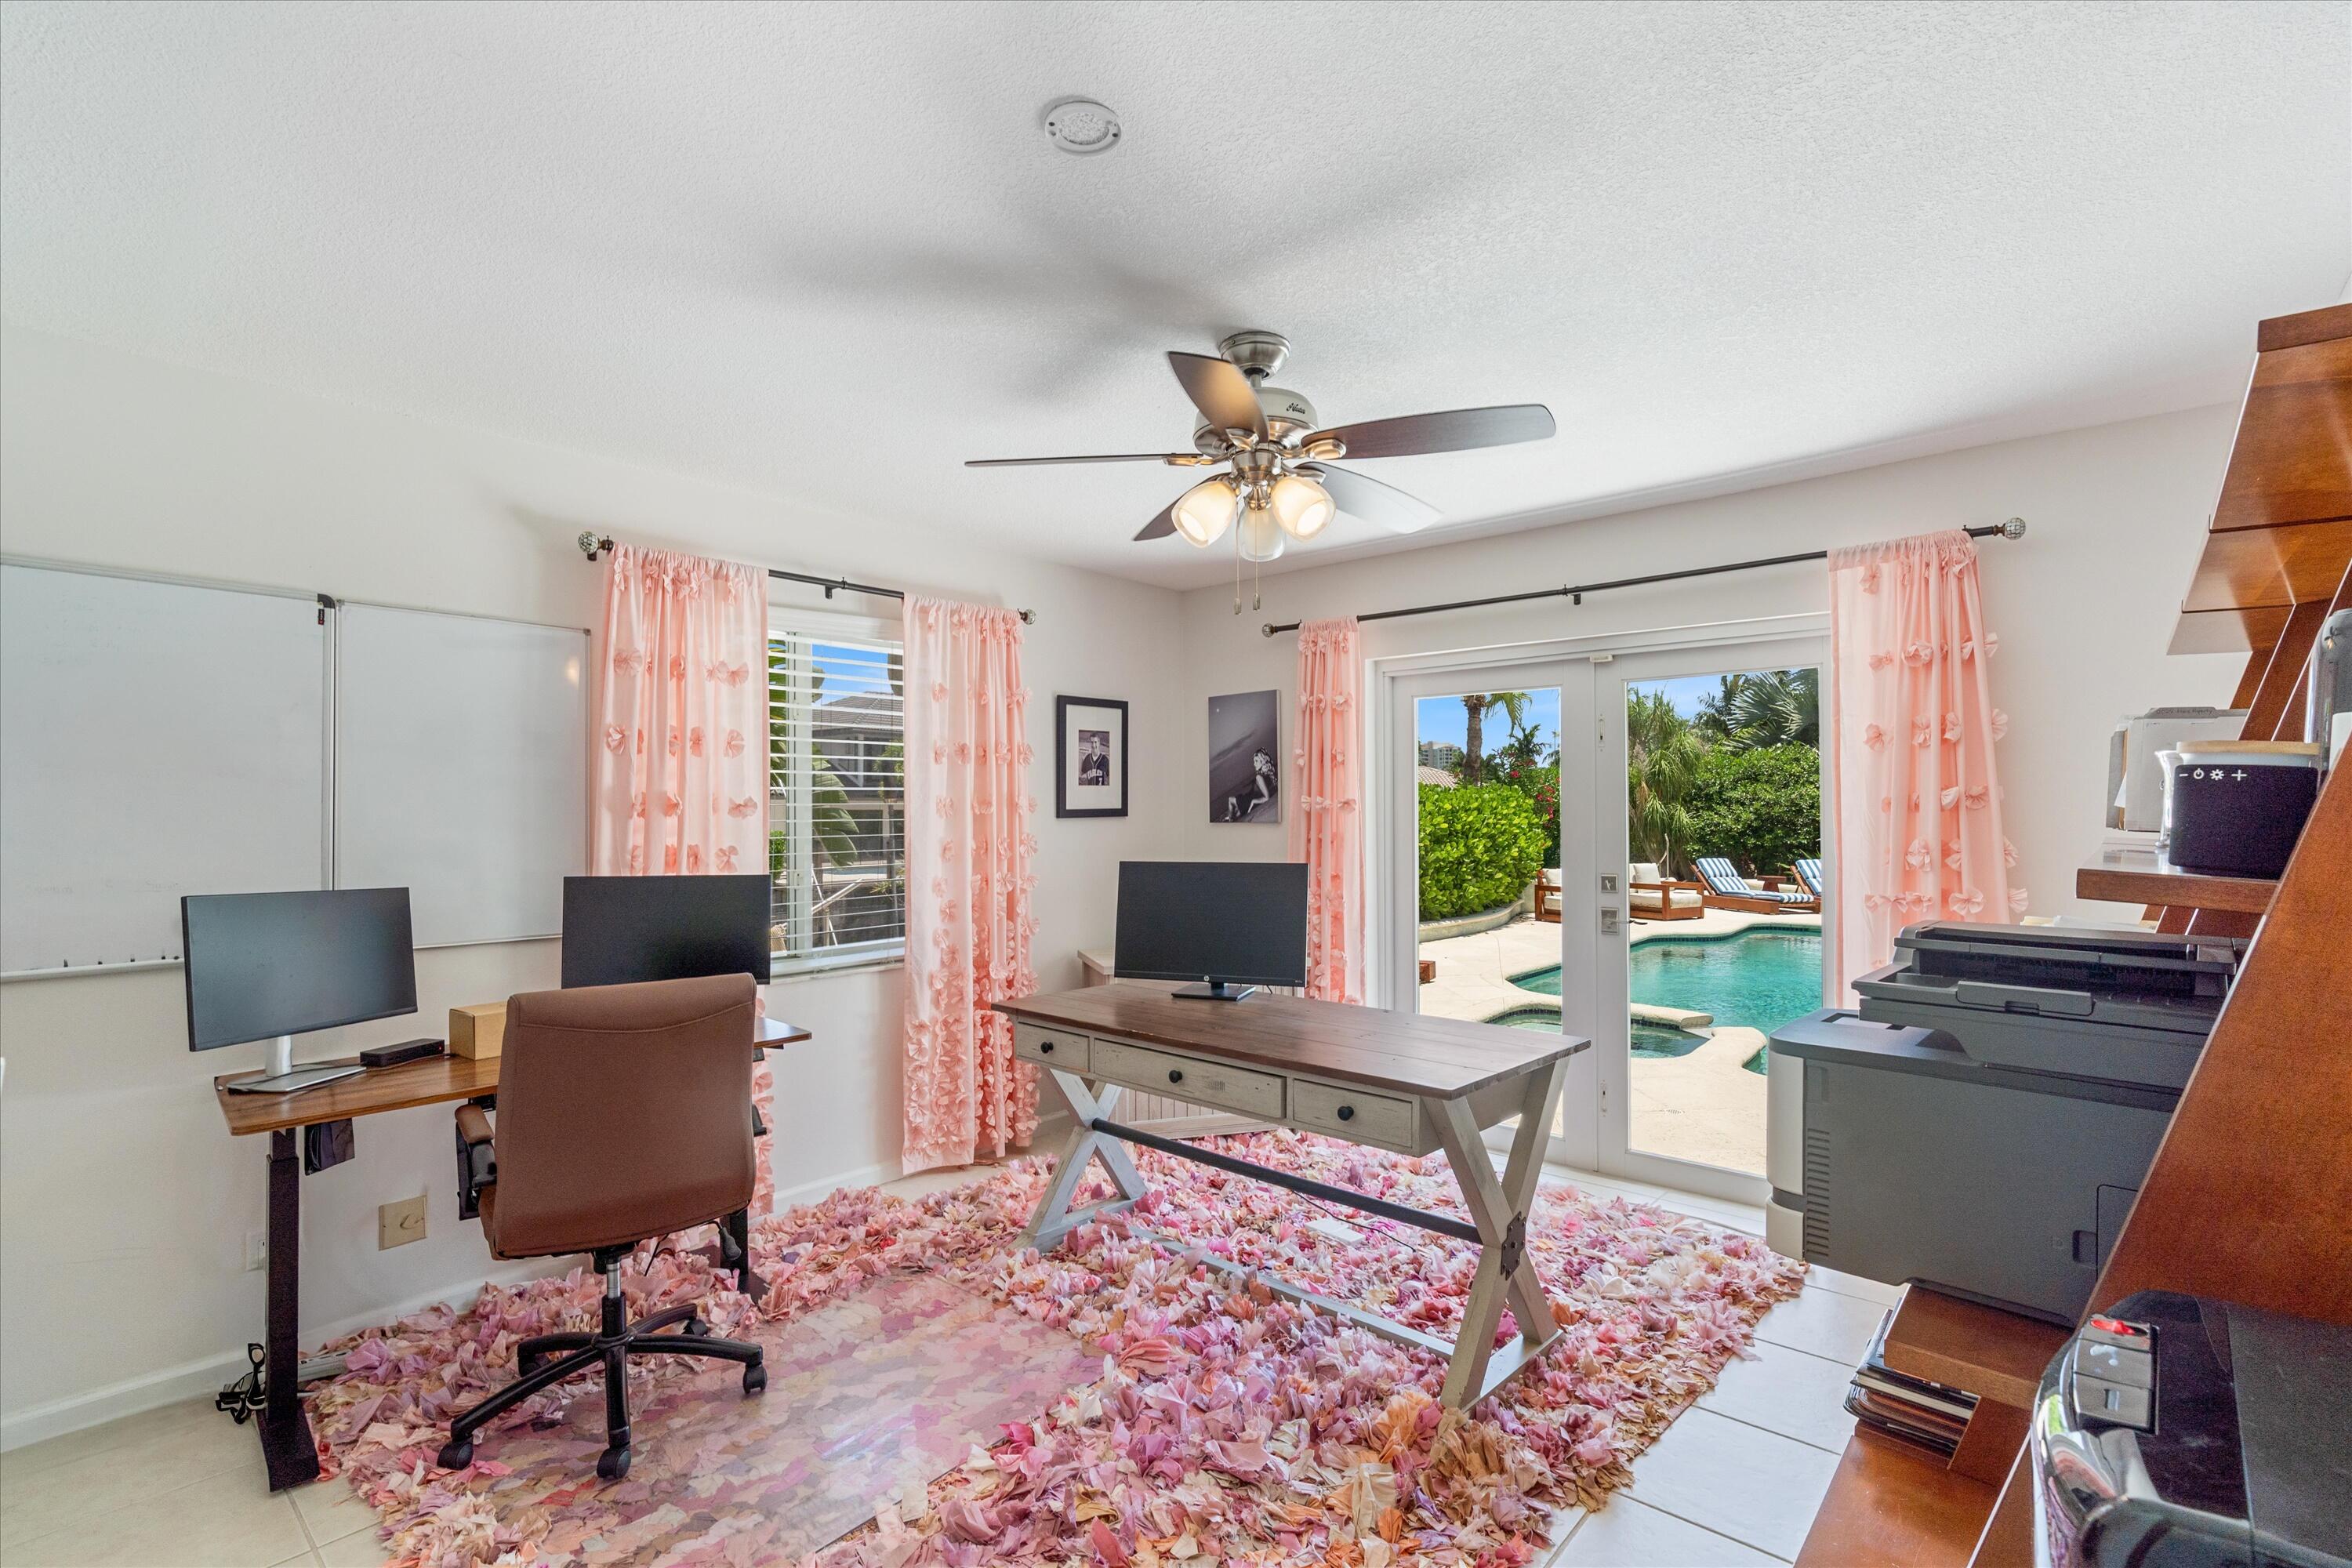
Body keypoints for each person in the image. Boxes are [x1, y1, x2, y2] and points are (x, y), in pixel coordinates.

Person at [1221, 747, 1276, 821]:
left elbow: (1267, 798)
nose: (1254, 764)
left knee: (1230, 800)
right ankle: (1230, 818)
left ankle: (1230, 819)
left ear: (1262, 761)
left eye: (1256, 761)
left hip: (1250, 799)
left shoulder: (1259, 777)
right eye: (1254, 761)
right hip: (1251, 798)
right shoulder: (1268, 774)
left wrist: (1253, 802)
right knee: (1237, 813)